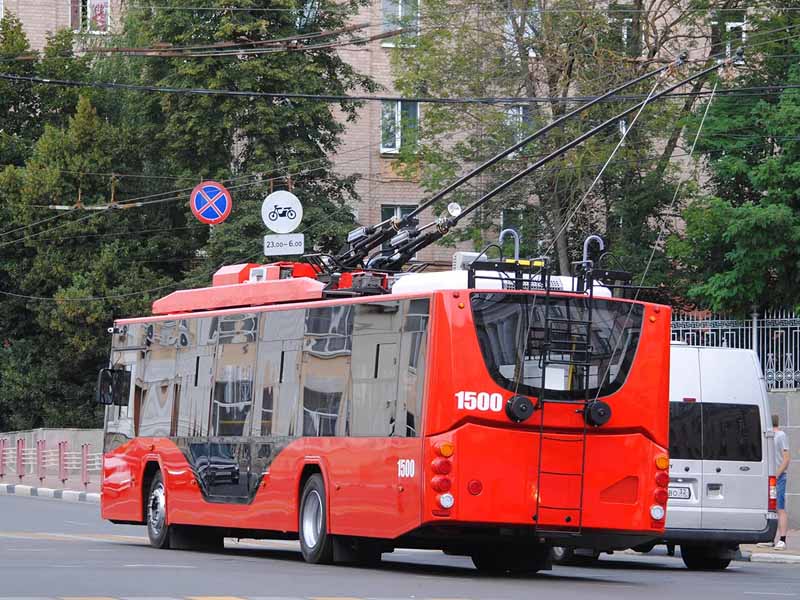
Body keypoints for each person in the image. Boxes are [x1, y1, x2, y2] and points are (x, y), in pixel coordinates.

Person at [760, 414, 791, 550]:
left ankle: (782, 540)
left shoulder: (781, 435)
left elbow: (786, 459)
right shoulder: (768, 435)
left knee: (779, 507)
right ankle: (770, 538)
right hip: (768, 477)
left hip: (778, 477)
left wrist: (777, 475)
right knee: (770, 508)